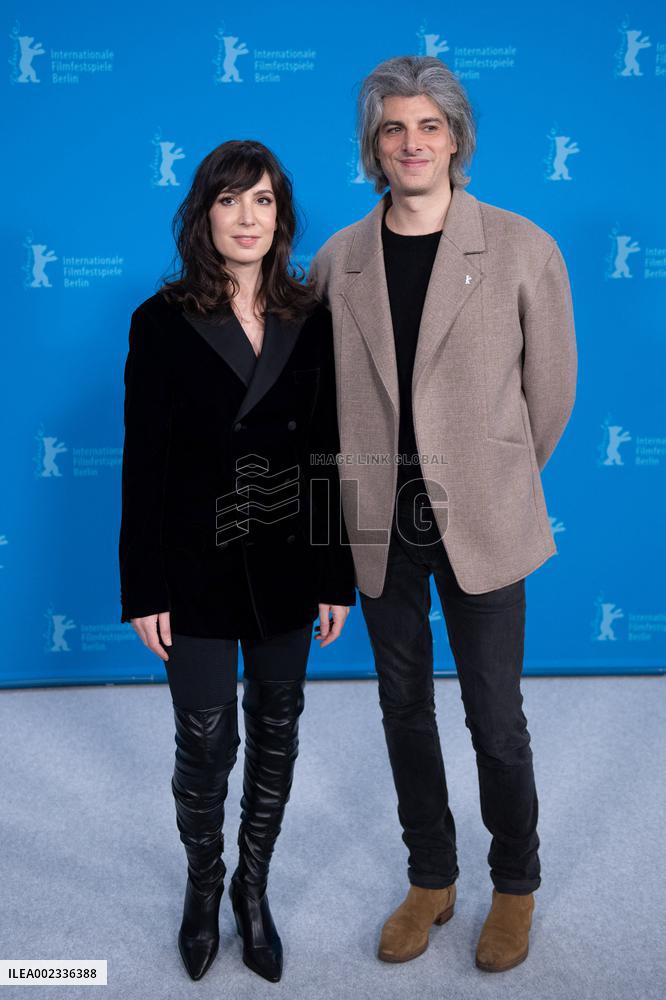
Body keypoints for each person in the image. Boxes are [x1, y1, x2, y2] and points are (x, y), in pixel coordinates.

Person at [309, 55, 577, 973]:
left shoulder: (521, 245)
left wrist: (495, 472)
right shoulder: (338, 260)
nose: (411, 143)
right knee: (401, 708)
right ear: (372, 148)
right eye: (393, 129)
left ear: (456, 139)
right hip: (380, 522)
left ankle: (515, 882)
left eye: (429, 126)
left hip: (486, 519)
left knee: (496, 719)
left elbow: (552, 393)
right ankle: (432, 875)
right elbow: (323, 402)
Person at [118, 139, 355, 983]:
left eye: (262, 201)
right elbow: (143, 461)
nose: (247, 217)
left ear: (281, 216)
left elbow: (326, 452)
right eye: (229, 201)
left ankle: (253, 894)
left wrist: (336, 575)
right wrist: (144, 583)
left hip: (291, 562)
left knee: (278, 733)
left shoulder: (311, 316)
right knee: (205, 743)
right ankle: (202, 888)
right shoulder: (160, 320)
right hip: (196, 568)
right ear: (203, 215)